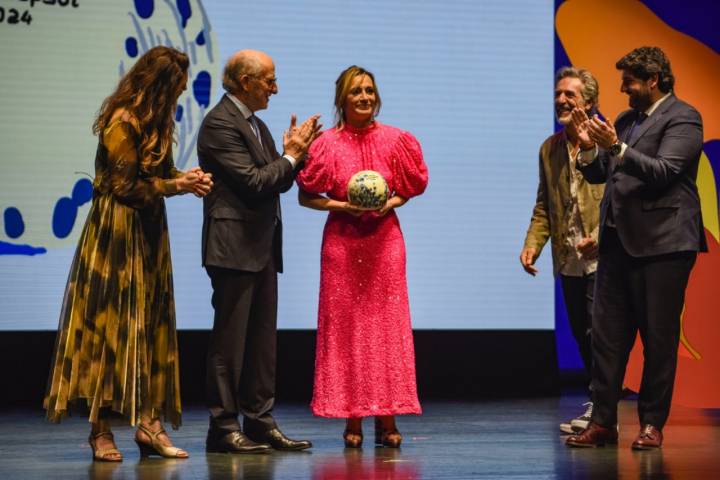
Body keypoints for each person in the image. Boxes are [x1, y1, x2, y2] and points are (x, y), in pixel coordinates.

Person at [44, 46, 213, 461]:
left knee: (152, 324)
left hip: (150, 234)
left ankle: (150, 427)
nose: (183, 90)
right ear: (159, 84)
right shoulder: (122, 122)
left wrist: (184, 177)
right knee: (110, 329)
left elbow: (159, 173)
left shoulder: (159, 120)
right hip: (115, 234)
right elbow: (126, 187)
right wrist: (175, 187)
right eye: (177, 84)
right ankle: (100, 432)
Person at [566, 46, 706, 449]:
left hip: (663, 245)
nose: (623, 88)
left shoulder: (683, 117)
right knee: (606, 339)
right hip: (618, 244)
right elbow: (600, 173)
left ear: (655, 79)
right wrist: (589, 146)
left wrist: (616, 147)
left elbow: (663, 172)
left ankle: (651, 423)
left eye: (629, 81)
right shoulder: (626, 120)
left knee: (658, 339)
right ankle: (604, 422)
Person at [296, 65, 428, 448]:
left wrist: (391, 202)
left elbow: (410, 187)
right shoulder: (326, 145)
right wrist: (343, 205)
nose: (365, 97)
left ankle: (387, 420)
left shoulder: (396, 140)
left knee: (387, 331)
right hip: (343, 244)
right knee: (349, 332)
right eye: (356, 91)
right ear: (343, 99)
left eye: (370, 90)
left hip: (384, 244)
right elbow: (307, 196)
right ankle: (352, 420)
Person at [199, 50, 320, 454]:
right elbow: (255, 182)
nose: (275, 87)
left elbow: (276, 181)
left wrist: (293, 155)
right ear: (246, 82)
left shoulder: (258, 125)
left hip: (262, 245)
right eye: (269, 80)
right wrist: (291, 155)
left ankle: (259, 420)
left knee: (262, 341)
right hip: (233, 246)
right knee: (230, 343)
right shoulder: (219, 123)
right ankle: (223, 426)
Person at [520, 67, 604, 434]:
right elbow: (545, 203)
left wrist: (600, 235)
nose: (561, 100)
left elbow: (620, 197)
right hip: (568, 258)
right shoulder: (549, 148)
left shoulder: (605, 139)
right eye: (558, 93)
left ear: (589, 102)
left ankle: (601, 408)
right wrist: (533, 243)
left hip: (602, 256)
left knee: (596, 333)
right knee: (579, 330)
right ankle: (600, 404)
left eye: (570, 94)